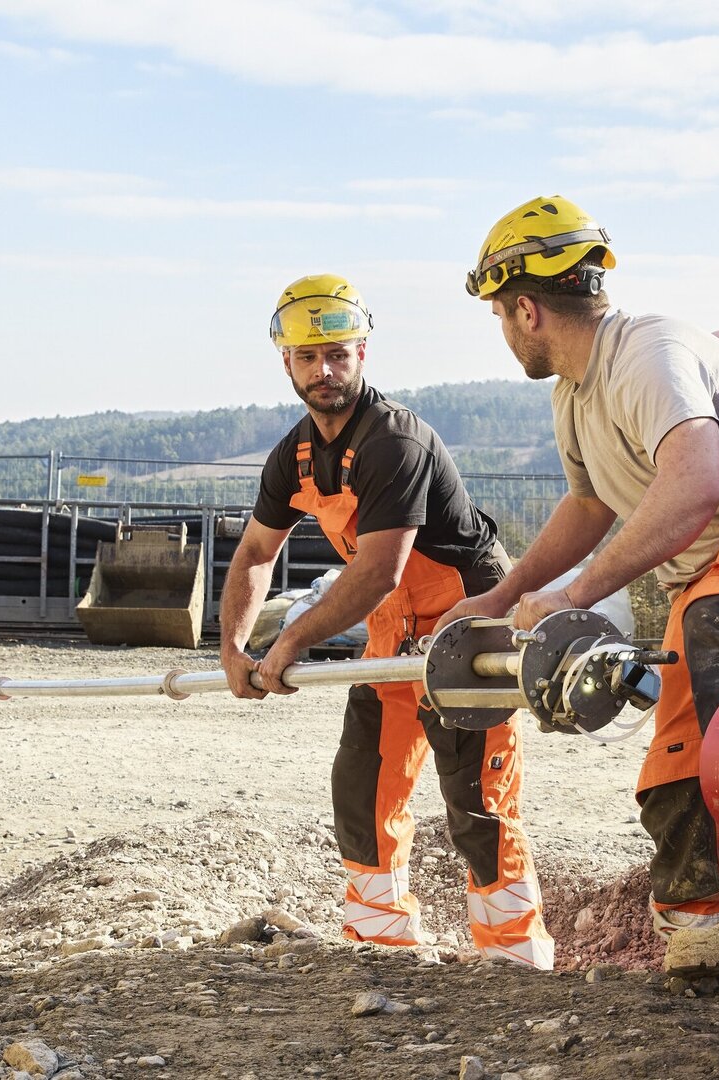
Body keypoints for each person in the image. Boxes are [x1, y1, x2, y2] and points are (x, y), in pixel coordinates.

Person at [441, 196, 719, 977]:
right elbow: (587, 507)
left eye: (500, 314)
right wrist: (502, 597)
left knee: (717, 631)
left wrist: (576, 596)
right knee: (676, 749)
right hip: (717, 575)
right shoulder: (574, 395)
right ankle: (705, 926)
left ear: (526, 310)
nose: (503, 330)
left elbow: (695, 483)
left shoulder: (648, 353)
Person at [218, 274, 555, 970]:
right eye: (308, 357)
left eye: (338, 354)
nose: (324, 371)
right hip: (392, 631)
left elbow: (378, 570)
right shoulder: (294, 456)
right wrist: (232, 646)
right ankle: (380, 944)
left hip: (468, 624)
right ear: (286, 362)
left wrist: (289, 640)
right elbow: (254, 552)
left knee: (477, 800)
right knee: (364, 786)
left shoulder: (393, 441)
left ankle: (518, 960)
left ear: (362, 354)